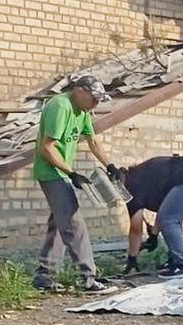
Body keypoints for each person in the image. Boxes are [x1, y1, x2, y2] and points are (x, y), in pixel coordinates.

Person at [31, 75, 122, 294]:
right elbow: (47, 148)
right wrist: (71, 173)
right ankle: (88, 279)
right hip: (51, 172)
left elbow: (93, 141)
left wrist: (110, 165)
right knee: (73, 223)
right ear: (80, 91)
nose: (96, 104)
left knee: (59, 223)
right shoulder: (60, 107)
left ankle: (45, 275)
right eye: (94, 98)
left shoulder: (82, 111)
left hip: (60, 172)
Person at [119, 155, 183, 277]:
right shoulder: (140, 175)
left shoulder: (131, 187)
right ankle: (174, 261)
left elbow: (136, 229)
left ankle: (182, 266)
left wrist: (132, 259)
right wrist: (153, 235)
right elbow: (164, 210)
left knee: (169, 220)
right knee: (171, 217)